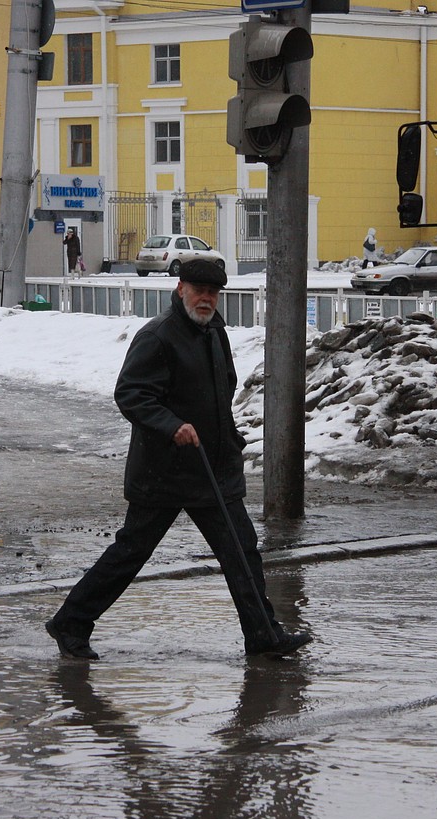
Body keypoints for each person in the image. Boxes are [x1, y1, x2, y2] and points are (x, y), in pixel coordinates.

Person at [45, 258, 312, 661]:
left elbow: (224, 390)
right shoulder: (158, 336)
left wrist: (229, 438)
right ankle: (71, 621)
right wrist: (171, 425)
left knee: (242, 550)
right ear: (180, 289)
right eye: (198, 290)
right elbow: (131, 394)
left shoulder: (214, 333)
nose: (206, 299)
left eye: (213, 292)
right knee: (131, 552)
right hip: (164, 471)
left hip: (212, 467)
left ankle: (263, 634)